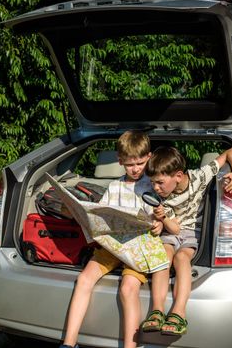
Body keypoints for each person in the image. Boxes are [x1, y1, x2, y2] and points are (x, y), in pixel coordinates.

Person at [59, 130, 164, 348]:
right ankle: (69, 343)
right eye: (129, 165)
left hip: (138, 249)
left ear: (149, 158)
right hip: (113, 245)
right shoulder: (114, 186)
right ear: (120, 162)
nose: (135, 169)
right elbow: (103, 213)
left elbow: (160, 217)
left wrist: (158, 225)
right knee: (84, 279)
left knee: (128, 288)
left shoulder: (152, 185)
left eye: (140, 163)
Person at [140, 146, 232, 336]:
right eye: (153, 183)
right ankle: (157, 311)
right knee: (162, 258)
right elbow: (174, 229)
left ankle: (178, 312)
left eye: (159, 182)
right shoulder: (161, 196)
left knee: (181, 258)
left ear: (178, 176)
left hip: (193, 232)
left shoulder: (200, 177)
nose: (155, 188)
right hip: (172, 230)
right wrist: (163, 217)